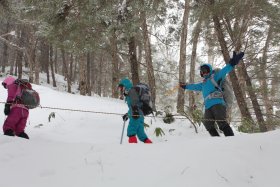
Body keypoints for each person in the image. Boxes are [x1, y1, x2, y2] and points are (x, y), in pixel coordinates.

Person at [179, 51, 244, 137]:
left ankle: (231, 140)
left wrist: (232, 63)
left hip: (218, 103)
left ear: (209, 70)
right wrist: (185, 86)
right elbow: (194, 86)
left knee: (221, 122)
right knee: (208, 124)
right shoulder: (203, 84)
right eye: (202, 71)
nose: (204, 73)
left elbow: (225, 70)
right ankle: (216, 140)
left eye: (205, 70)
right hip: (208, 106)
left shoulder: (215, 77)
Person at [118, 78, 152, 143]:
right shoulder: (130, 92)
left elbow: (134, 102)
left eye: (121, 87)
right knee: (141, 134)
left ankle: (133, 149)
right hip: (140, 115)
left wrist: (135, 111)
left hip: (135, 115)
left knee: (131, 131)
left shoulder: (131, 90)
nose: (121, 89)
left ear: (125, 86)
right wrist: (127, 115)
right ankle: (150, 145)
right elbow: (134, 106)